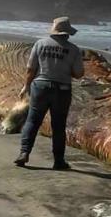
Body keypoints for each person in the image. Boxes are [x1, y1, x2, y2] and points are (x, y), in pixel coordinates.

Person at [14, 17, 84, 170]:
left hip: (40, 86)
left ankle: (24, 153)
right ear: (67, 34)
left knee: (33, 121)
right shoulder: (73, 50)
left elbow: (30, 69)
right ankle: (58, 161)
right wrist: (66, 68)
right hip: (62, 90)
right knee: (58, 126)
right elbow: (79, 74)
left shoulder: (40, 44)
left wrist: (25, 86)